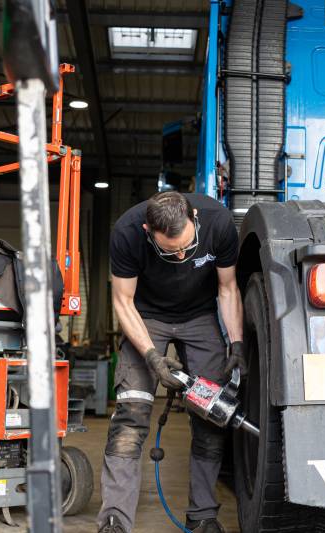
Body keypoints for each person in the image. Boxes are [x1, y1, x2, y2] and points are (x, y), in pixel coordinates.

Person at [97, 191, 246, 533]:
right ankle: (114, 522)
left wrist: (236, 343)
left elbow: (227, 288)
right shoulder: (127, 232)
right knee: (130, 420)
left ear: (193, 216)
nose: (180, 255)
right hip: (146, 317)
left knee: (211, 415)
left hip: (200, 316)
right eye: (171, 250)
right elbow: (123, 301)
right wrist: (151, 356)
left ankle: (203, 515)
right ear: (149, 230)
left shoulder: (219, 222)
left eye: (186, 248)